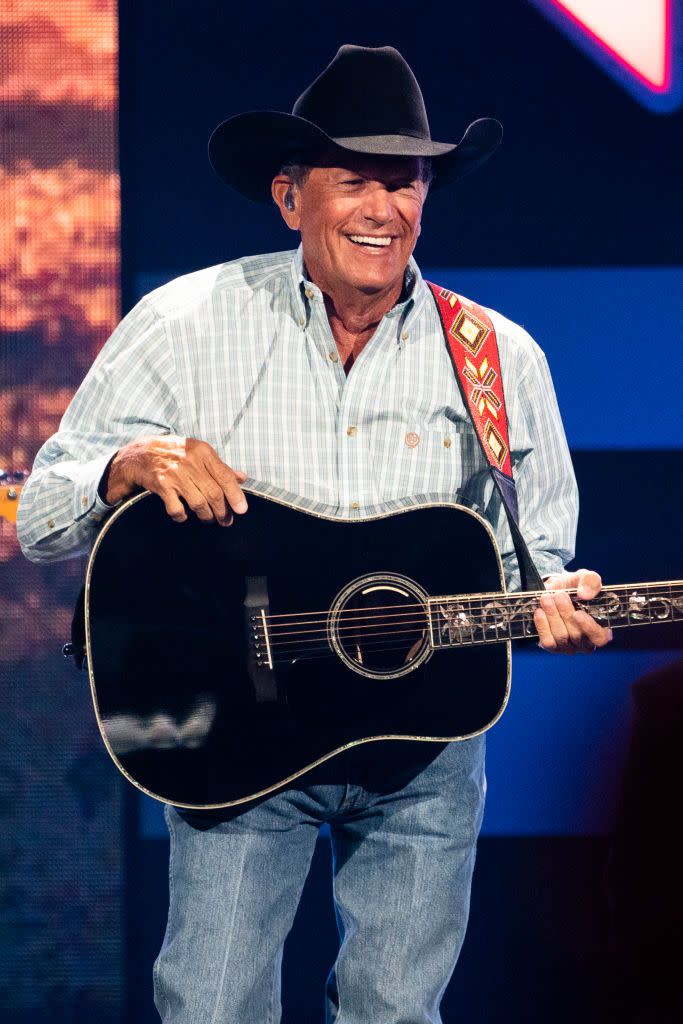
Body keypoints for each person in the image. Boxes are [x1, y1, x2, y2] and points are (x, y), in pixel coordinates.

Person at [18, 44, 612, 1024]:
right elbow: (42, 511)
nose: (383, 209)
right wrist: (127, 468)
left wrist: (551, 600)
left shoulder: (500, 357)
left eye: (405, 181)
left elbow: (531, 558)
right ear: (289, 196)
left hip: (422, 747)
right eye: (356, 181)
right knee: (212, 1011)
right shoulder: (185, 322)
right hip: (240, 736)